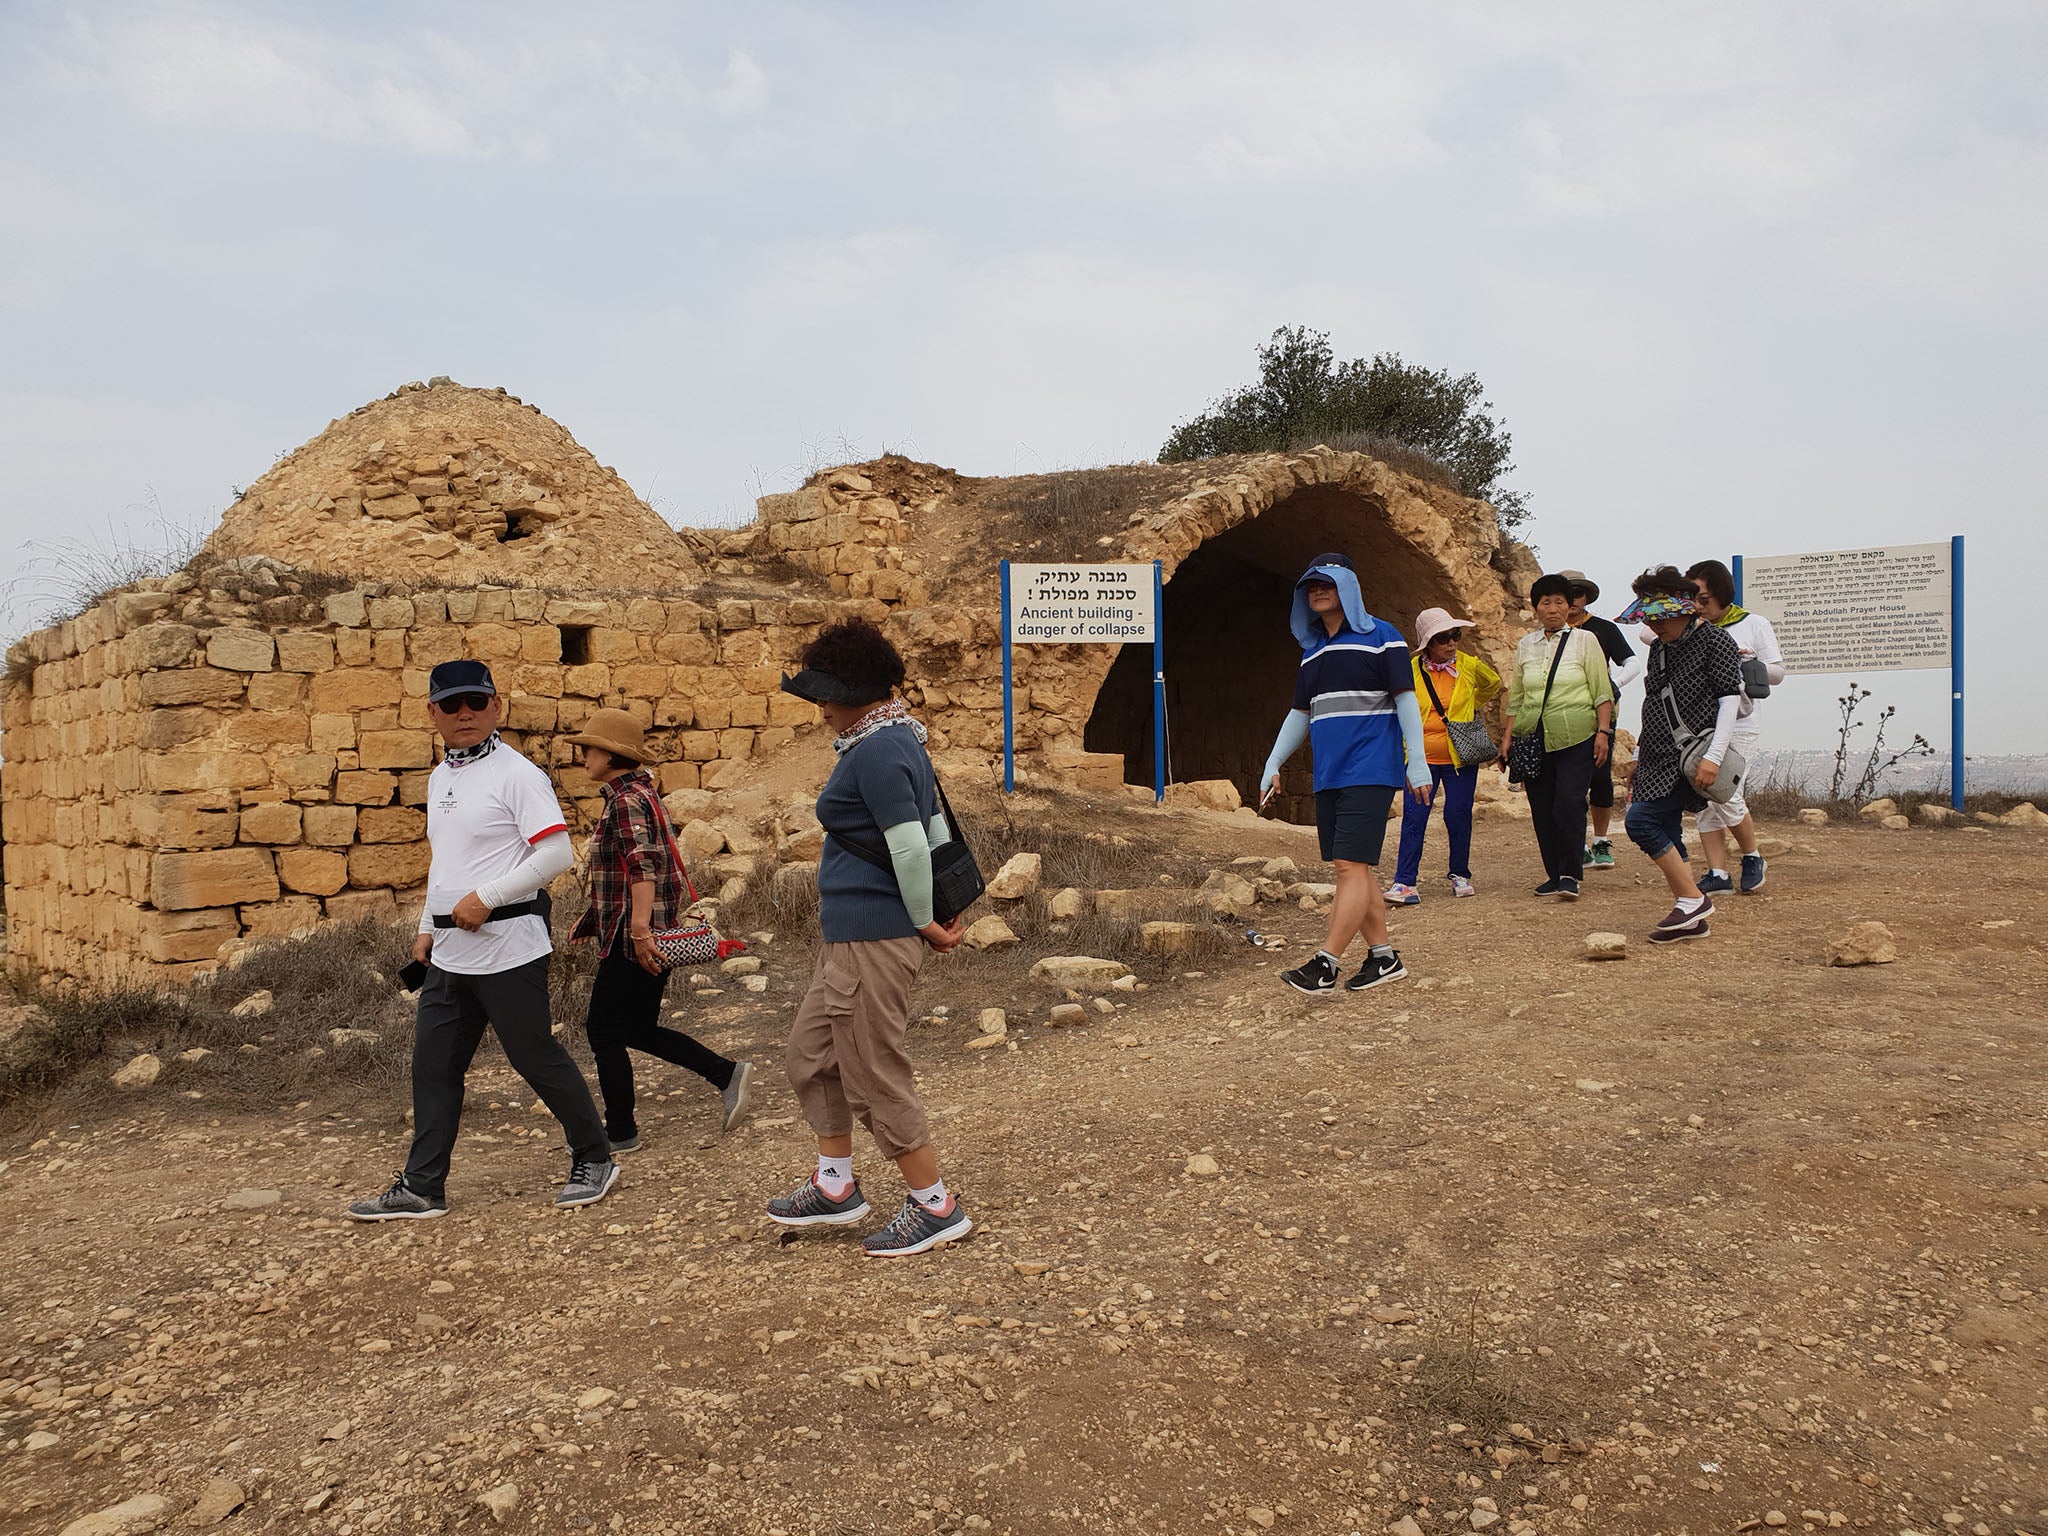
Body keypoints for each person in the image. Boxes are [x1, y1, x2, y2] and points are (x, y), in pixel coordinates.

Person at [349, 660, 617, 1220]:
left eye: (476, 701)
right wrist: (426, 926)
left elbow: (555, 854)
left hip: (508, 947)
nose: (464, 713)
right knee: (433, 1065)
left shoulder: (518, 775)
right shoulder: (441, 776)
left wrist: (487, 896)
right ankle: (423, 1187)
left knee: (534, 1057)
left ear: (497, 706)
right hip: (450, 953)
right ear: (432, 714)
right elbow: (445, 863)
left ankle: (595, 1157)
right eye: (451, 705)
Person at [764, 619, 973, 1258]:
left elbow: (910, 844)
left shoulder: (880, 749)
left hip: (874, 933)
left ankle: (935, 1204)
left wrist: (922, 920)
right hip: (853, 934)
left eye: (827, 693)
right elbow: (929, 826)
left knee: (872, 1069)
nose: (820, 706)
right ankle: (835, 1187)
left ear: (857, 692)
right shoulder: (894, 737)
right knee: (813, 1054)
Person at [565, 708, 753, 1152]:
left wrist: (639, 931)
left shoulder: (626, 800)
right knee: (635, 1028)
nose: (583, 755)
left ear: (610, 754)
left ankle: (620, 1132)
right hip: (642, 931)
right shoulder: (642, 793)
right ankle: (725, 1074)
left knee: (603, 1031)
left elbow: (642, 867)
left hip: (637, 941)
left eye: (588, 747)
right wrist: (595, 919)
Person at [1259, 553, 1432, 994]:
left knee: (1348, 867)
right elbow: (1300, 713)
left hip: (1370, 767)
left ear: (1348, 588)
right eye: (1310, 586)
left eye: (1327, 584)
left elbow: (1406, 700)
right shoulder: (1312, 652)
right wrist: (1273, 762)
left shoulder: (1382, 638)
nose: (1317, 591)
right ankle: (1384, 958)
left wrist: (1417, 761)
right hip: (1330, 774)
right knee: (1356, 869)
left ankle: (1326, 963)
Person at [1618, 567, 1744, 943]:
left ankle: (1692, 899)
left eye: (1661, 616)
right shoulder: (1659, 648)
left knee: (1640, 822)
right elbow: (1654, 702)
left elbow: (1729, 701)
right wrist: (1640, 755)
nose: (1655, 625)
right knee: (1668, 829)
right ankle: (1690, 915)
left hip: (1690, 755)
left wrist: (1714, 757)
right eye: (1649, 617)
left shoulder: (1716, 641)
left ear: (1684, 607)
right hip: (1656, 754)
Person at [1498, 574, 1615, 899]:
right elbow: (1518, 696)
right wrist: (1507, 737)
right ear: (1535, 608)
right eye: (1545, 602)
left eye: (1559, 602)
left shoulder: (1585, 641)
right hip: (1532, 735)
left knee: (1569, 801)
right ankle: (1554, 873)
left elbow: (1601, 691)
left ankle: (1570, 873)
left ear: (1570, 606)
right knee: (1542, 806)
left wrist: (1603, 732)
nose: (1552, 608)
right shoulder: (1526, 645)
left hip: (1577, 733)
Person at [1386, 608, 1501, 905]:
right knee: (1414, 817)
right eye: (1442, 638)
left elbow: (1493, 684)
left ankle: (1459, 874)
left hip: (1460, 757)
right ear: (1427, 644)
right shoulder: (1410, 669)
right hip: (1420, 758)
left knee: (1457, 815)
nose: (1451, 643)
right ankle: (1405, 882)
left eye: (1455, 635)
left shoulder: (1469, 665)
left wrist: (1466, 709)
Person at [1684, 560, 1784, 896]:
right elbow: (1645, 632)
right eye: (1693, 599)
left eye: (1705, 599)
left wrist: (1748, 661)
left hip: (1740, 721)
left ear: (1723, 595)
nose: (1700, 606)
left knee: (1724, 791)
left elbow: (1777, 672)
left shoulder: (1753, 623)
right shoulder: (1691, 627)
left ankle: (1752, 855)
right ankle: (1718, 872)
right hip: (1699, 723)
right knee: (1703, 797)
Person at [1559, 570, 1641, 871]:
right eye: (1568, 593)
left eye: (1579, 593)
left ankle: (1602, 840)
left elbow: (1632, 662)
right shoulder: (1551, 632)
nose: (1574, 600)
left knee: (1600, 776)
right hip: (1562, 714)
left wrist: (1613, 684)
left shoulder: (1602, 629)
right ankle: (1577, 843)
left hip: (1600, 715)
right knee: (1569, 782)